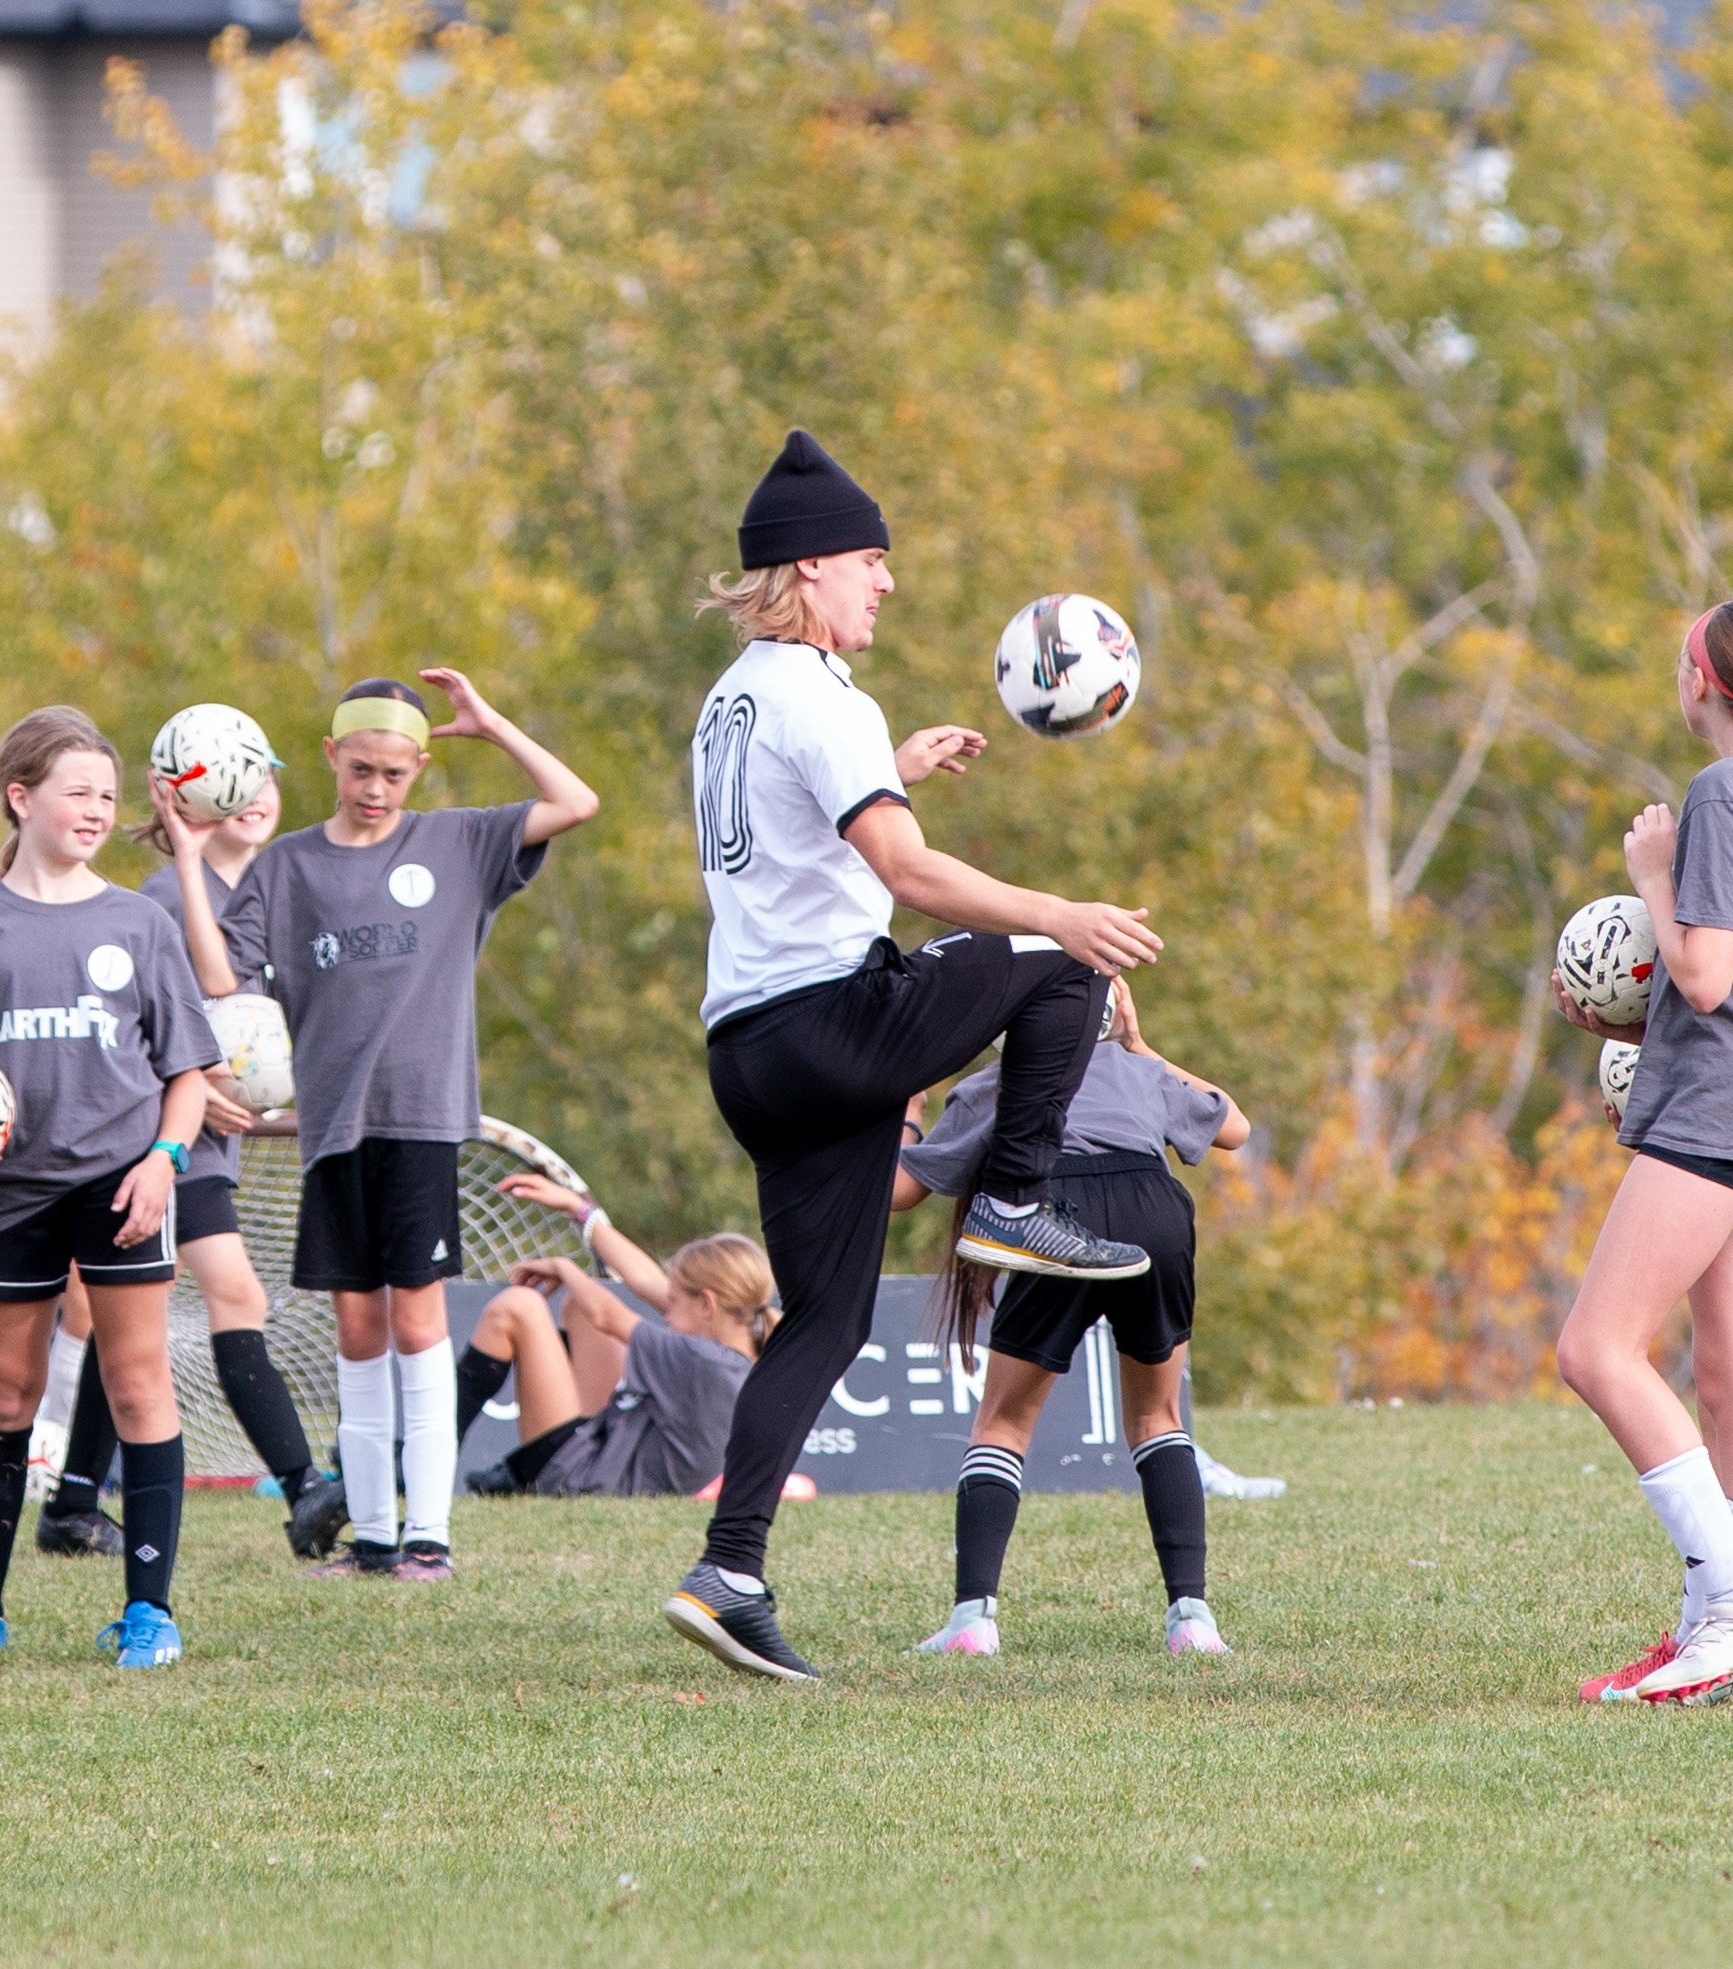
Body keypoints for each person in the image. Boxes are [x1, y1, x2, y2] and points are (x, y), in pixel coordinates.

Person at [663, 429, 1164, 1684]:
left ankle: (727, 1571)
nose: (885, 584)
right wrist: (1058, 912)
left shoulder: (733, 700)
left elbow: (793, 842)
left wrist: (888, 769)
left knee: (820, 1323)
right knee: (1062, 967)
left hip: (749, 1050)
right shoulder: (820, 691)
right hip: (828, 1022)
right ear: (811, 566)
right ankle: (1008, 1202)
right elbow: (908, 872)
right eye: (871, 562)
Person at [164, 668, 597, 1581]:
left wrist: (491, 723)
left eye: (394, 774)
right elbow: (217, 978)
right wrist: (189, 858)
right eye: (359, 769)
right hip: (332, 1127)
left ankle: (429, 1538)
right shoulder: (286, 866)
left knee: (416, 1322)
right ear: (330, 757)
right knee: (357, 1329)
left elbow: (576, 799)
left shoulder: (460, 843)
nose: (374, 788)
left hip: (424, 1120)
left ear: (418, 769)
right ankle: (370, 1539)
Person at [1555, 601, 1733, 1706]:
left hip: (1720, 1111)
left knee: (1594, 1349)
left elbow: (1707, 978)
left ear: (1699, 681)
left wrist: (1648, 875)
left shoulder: (1723, 792)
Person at [0, 706, 219, 1669]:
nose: (95, 810)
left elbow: (188, 1074)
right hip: (12, 1197)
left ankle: (150, 1614)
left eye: (107, 797)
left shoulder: (139, 921)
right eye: (76, 791)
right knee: (6, 1393)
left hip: (122, 1187)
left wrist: (165, 1162)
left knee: (136, 1383)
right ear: (21, 795)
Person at [40, 755, 343, 1558]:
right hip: (158, 1138)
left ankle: (72, 1501)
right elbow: (121, 1027)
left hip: (210, 1141)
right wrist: (181, 1082)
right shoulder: (163, 894)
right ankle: (305, 1483)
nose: (252, 796)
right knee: (234, 1294)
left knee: (130, 1317)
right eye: (234, 779)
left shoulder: (270, 895)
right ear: (189, 798)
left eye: (265, 778)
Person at [893, 979, 1250, 1658]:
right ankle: (1193, 1619)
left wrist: (906, 1110)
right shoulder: (1141, 1071)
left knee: (1003, 1423)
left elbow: (901, 1192)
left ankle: (973, 1620)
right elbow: (1236, 1125)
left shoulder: (994, 1084)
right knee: (1157, 1417)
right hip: (1156, 1208)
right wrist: (1141, 1046)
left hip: (1055, 1207)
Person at [453, 1173, 774, 1499]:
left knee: (518, 1306)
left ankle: (429, 1454)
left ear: (706, 1303)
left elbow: (606, 1315)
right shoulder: (735, 1349)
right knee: (581, 1305)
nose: (666, 1311)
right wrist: (578, 1209)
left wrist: (564, 1267)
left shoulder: (705, 1362)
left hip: (582, 1483)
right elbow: (642, 1278)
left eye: (673, 1301)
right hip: (605, 1463)